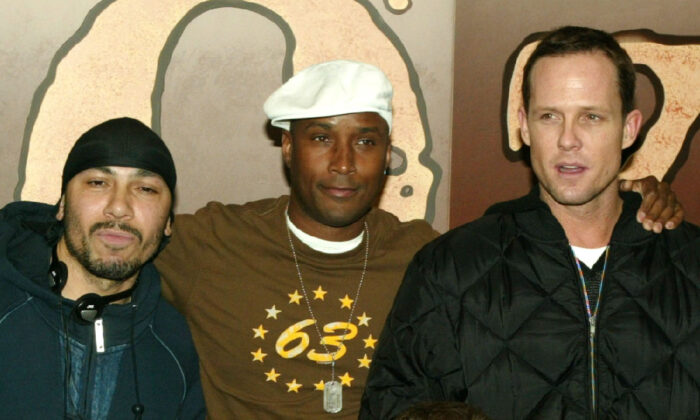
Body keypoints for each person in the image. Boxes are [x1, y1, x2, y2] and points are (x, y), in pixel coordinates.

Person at [155, 60, 683, 419]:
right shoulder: (211, 242)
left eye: (365, 141)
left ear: (388, 155)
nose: (343, 163)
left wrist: (626, 198)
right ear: (288, 147)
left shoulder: (428, 258)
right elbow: (100, 242)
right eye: (320, 139)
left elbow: (524, 239)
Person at [360, 26, 700, 419]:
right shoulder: (450, 268)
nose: (568, 139)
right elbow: (394, 407)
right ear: (523, 125)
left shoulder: (689, 265)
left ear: (629, 128)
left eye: (591, 116)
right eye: (549, 116)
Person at [0, 117, 205, 419]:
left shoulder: (178, 345)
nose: (119, 207)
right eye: (98, 183)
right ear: (61, 205)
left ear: (169, 223)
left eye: (146, 189)